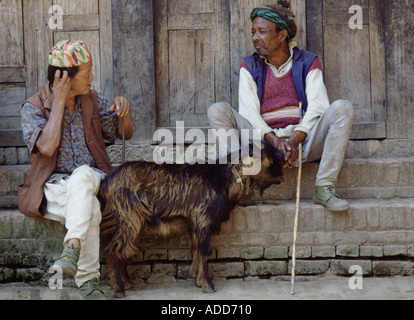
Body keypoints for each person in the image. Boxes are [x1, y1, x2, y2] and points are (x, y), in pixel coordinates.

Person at [208, 2, 355, 213]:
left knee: (342, 107)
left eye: (262, 31)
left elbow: (319, 106)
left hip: (303, 144)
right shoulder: (249, 66)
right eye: (253, 32)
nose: (255, 37)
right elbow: (248, 112)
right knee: (218, 110)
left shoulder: (307, 62)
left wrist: (293, 140)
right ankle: (238, 185)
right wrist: (275, 141)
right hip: (263, 145)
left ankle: (324, 187)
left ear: (282, 35)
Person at [19, 40, 133, 299]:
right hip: (53, 187)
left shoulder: (92, 99)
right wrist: (58, 103)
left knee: (82, 175)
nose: (92, 78)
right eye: (87, 73)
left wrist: (124, 112)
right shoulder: (33, 107)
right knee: (89, 207)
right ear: (65, 79)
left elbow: (124, 132)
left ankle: (71, 250)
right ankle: (88, 284)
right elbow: (47, 147)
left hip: (94, 179)